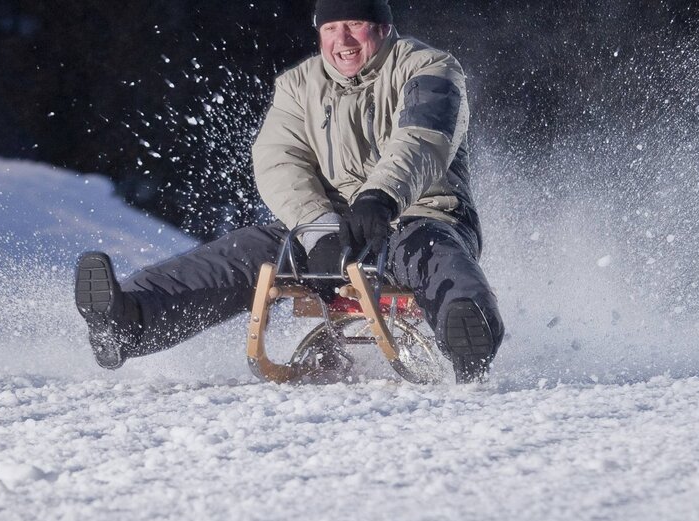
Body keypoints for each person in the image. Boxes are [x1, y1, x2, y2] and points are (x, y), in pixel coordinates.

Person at [74, 0, 503, 383]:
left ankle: (468, 334)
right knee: (244, 251)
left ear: (383, 28)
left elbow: (424, 137)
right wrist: (317, 225)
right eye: (331, 28)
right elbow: (279, 157)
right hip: (328, 231)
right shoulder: (299, 85)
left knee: (432, 255)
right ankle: (129, 320)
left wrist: (381, 197)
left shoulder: (430, 68)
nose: (344, 40)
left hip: (419, 214)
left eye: (355, 23)